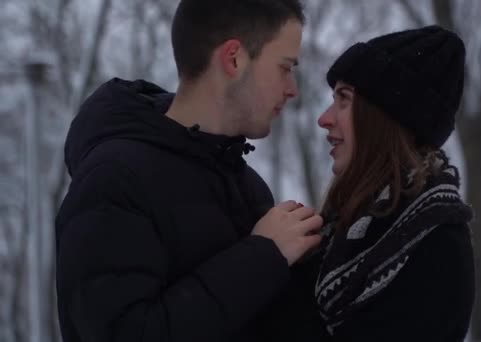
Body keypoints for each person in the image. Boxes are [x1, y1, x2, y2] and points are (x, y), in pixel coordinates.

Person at [54, 1, 323, 341]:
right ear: (234, 59)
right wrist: (263, 256)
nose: (292, 89)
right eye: (285, 67)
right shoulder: (113, 180)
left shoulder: (247, 186)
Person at [311, 25, 475, 341]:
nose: (324, 118)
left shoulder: (437, 245)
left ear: (383, 116)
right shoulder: (343, 226)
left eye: (343, 99)